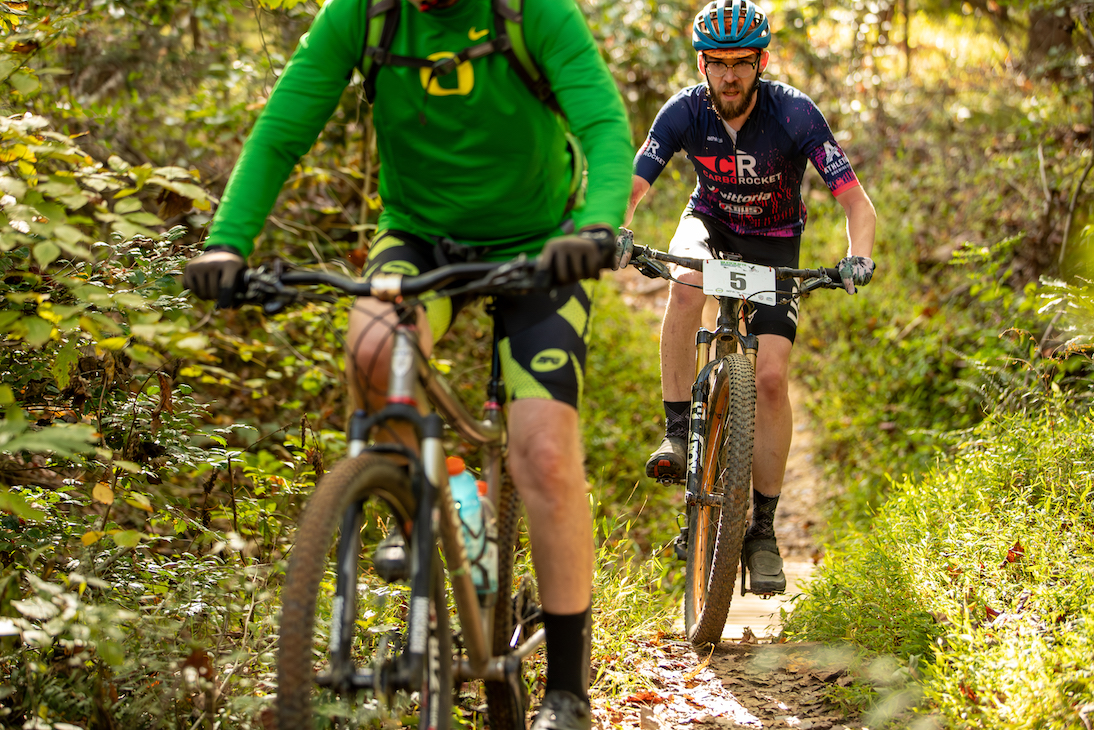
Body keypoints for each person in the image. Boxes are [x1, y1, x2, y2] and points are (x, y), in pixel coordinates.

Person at [182, 0, 633, 725]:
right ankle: (428, 496)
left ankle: (567, 688)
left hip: (541, 243)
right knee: (370, 347)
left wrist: (598, 226)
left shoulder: (532, 11)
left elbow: (606, 129)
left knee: (544, 451)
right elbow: (280, 133)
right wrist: (228, 243)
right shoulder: (361, 16)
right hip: (419, 237)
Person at [624, 0, 876, 593]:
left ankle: (762, 530)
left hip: (775, 242)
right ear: (702, 64)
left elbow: (855, 203)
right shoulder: (683, 111)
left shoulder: (795, 114)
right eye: (718, 64)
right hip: (709, 222)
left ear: (761, 61)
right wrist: (617, 230)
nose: (730, 76)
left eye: (742, 63)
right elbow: (632, 186)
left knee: (769, 378)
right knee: (685, 287)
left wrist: (857, 258)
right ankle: (679, 429)